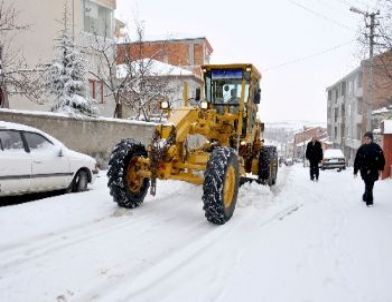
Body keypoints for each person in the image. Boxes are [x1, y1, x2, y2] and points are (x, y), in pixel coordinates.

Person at [354, 131, 385, 207]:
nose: (366, 140)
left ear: (371, 139)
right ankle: (368, 200)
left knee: (369, 185)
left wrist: (381, 169)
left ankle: (366, 198)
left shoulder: (376, 147)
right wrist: (355, 170)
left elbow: (382, 159)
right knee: (369, 185)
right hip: (364, 170)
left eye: (368, 138)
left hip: (374, 170)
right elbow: (357, 160)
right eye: (365, 139)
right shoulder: (361, 148)